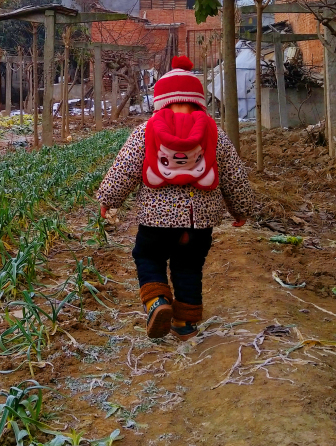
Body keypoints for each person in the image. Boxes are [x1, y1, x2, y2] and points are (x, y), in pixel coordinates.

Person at [96, 55, 255, 340]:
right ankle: (185, 324)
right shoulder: (214, 134)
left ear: (161, 99)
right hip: (199, 221)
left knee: (147, 256)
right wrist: (240, 209)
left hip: (156, 221)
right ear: (198, 99)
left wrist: (109, 199)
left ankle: (157, 303)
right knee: (189, 266)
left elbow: (125, 168)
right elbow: (233, 175)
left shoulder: (145, 132)